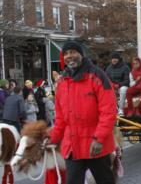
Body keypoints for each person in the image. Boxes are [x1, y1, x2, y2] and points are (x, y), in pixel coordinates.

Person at [49, 40, 117, 184]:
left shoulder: (98, 76)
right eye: (66, 53)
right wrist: (53, 139)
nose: (69, 56)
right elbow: (60, 118)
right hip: (72, 146)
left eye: (73, 52)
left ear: (81, 54)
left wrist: (99, 139)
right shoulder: (62, 82)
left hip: (96, 146)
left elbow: (108, 111)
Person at [105, 51, 130, 116]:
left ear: (118, 59)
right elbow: (106, 79)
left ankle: (121, 109)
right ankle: (113, 108)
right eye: (113, 58)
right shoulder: (108, 68)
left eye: (116, 58)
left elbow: (127, 80)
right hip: (112, 86)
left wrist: (119, 85)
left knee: (123, 90)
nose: (114, 60)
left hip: (122, 86)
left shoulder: (125, 67)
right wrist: (111, 84)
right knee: (106, 90)